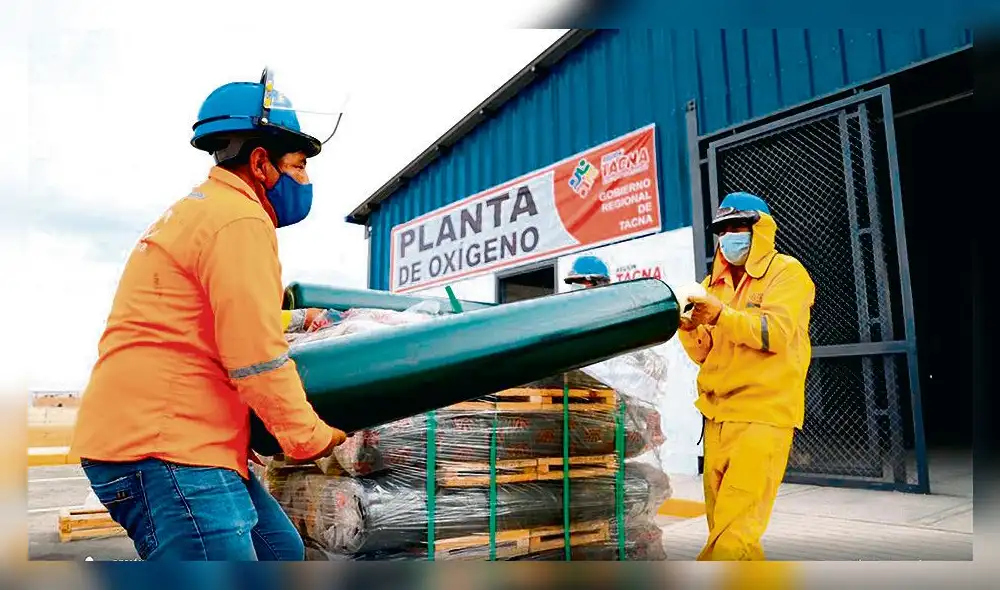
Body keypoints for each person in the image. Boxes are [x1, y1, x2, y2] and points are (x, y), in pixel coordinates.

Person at [70, 72, 348, 561]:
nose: (305, 181)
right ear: (260, 163)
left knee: (281, 553)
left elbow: (208, 329)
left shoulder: (200, 211)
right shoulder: (239, 219)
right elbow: (257, 356)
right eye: (299, 166)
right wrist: (310, 437)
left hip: (172, 439)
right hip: (167, 448)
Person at [677, 191, 815, 561]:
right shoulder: (712, 285)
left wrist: (720, 315)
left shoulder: (787, 273)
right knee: (727, 530)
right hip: (716, 417)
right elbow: (704, 354)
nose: (729, 237)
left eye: (738, 227)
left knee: (731, 539)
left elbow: (775, 333)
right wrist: (689, 329)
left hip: (762, 416)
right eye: (723, 230)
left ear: (761, 229)